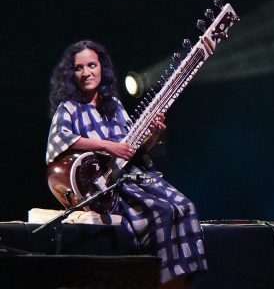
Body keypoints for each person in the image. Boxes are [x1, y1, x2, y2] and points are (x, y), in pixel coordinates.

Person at [46, 40, 207, 285]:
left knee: (186, 207)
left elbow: (137, 150)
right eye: (79, 68)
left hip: (135, 176)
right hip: (109, 187)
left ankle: (183, 281)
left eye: (92, 65)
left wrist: (153, 132)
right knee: (161, 212)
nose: (87, 72)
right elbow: (59, 142)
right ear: (71, 74)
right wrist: (107, 146)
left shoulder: (115, 106)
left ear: (102, 68)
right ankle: (158, 281)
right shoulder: (69, 109)